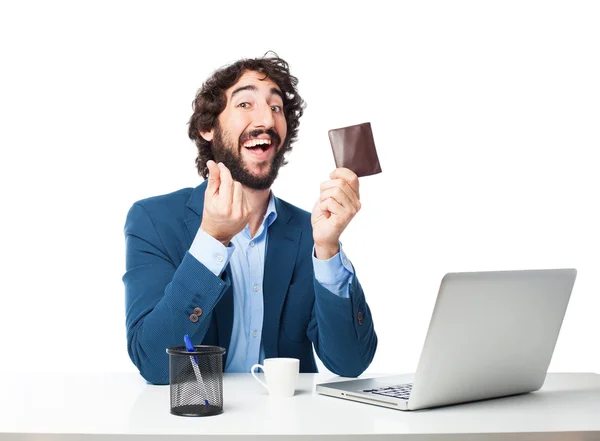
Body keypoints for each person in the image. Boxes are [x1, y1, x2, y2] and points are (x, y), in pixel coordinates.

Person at [123, 53, 377, 385]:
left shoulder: (309, 232)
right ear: (207, 128)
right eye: (245, 104)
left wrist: (328, 250)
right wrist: (211, 239)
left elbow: (351, 363)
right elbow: (155, 364)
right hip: (200, 423)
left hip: (290, 425)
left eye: (276, 108)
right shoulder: (154, 220)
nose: (267, 121)